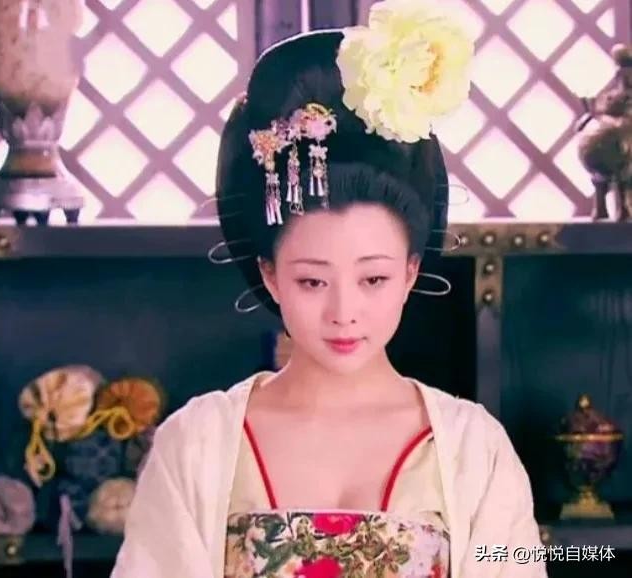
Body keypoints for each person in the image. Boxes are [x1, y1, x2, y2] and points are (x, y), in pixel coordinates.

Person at [111, 2, 547, 577]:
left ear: (411, 271)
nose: (345, 312)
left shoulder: (475, 450)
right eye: (313, 280)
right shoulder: (196, 445)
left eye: (373, 279)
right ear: (270, 274)